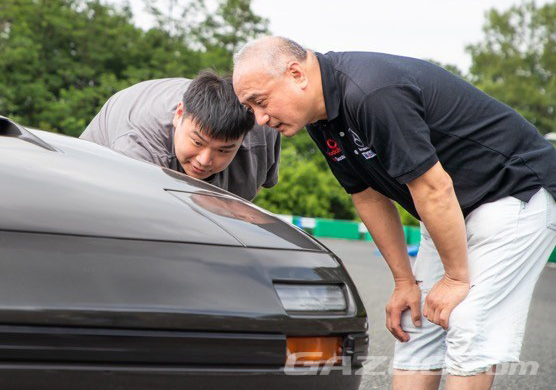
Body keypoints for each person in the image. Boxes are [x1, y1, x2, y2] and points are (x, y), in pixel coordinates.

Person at [232, 36, 556, 390]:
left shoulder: (372, 92)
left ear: (297, 74)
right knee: (414, 324)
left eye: (260, 102)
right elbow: (368, 195)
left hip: (512, 192)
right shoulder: (320, 119)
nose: (260, 119)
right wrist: (405, 282)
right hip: (449, 209)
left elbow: (434, 188)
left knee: (468, 324)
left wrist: (456, 278)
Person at [80, 71, 280, 201]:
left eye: (223, 150)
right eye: (197, 142)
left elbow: (259, 187)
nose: (204, 160)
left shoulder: (262, 129)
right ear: (179, 115)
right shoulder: (139, 147)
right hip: (96, 180)